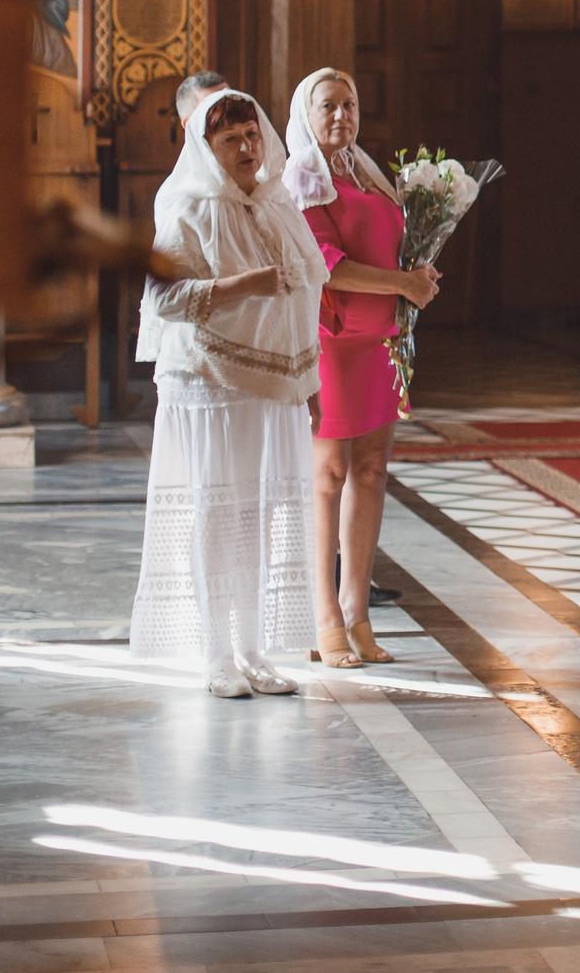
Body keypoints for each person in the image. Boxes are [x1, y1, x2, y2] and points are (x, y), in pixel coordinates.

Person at [130, 91, 327, 698]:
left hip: (272, 383)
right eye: (230, 140)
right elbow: (163, 298)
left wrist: (309, 383)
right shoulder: (189, 206)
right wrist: (244, 285)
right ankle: (216, 654)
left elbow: (306, 295)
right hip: (209, 382)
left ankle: (252, 648)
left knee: (258, 513)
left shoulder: (276, 203)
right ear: (206, 147)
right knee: (216, 514)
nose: (247, 148)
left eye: (252, 134)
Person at [285, 68, 439, 669]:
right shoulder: (302, 175)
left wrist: (419, 274)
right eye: (328, 105)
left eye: (349, 104)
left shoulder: (368, 173)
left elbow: (395, 244)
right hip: (333, 341)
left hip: (380, 340)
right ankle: (322, 615)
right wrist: (402, 282)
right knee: (328, 476)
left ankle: (357, 611)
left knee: (372, 472)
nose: (341, 116)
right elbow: (327, 264)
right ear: (306, 114)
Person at [135, 71, 234, 370]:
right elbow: (170, 292)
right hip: (202, 345)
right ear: (189, 124)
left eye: (231, 104)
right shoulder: (178, 194)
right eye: (213, 110)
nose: (228, 118)